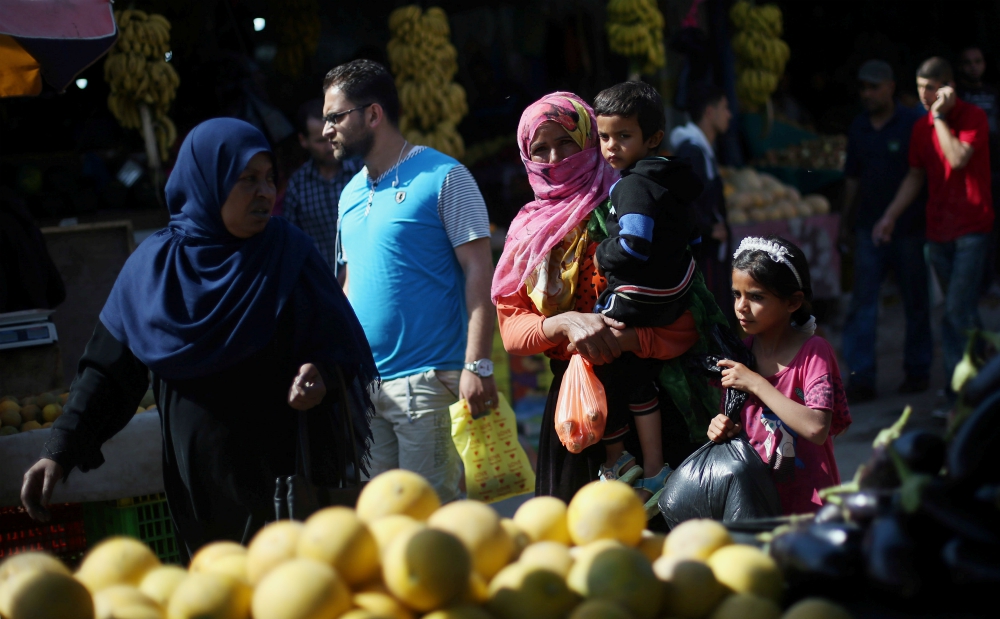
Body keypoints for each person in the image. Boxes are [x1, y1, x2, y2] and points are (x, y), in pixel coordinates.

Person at [19, 119, 378, 555]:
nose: (265, 192)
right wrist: (59, 450)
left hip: (287, 485)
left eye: (269, 179)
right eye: (247, 180)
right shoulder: (154, 269)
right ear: (206, 182)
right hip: (199, 496)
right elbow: (106, 375)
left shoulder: (288, 254)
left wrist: (320, 374)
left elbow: (339, 347)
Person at [494, 92, 726, 513]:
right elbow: (512, 330)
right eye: (539, 149)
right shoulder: (527, 233)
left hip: (653, 407)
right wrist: (563, 325)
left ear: (591, 141)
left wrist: (631, 340)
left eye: (566, 142)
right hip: (578, 415)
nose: (554, 158)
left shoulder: (636, 204)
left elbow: (691, 314)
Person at [327, 60, 496, 504]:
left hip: (426, 382)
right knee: (382, 530)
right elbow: (349, 285)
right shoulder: (348, 195)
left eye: (335, 116)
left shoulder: (445, 177)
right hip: (368, 389)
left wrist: (478, 364)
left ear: (373, 114)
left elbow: (480, 271)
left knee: (433, 528)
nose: (327, 129)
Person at [590, 81, 705, 504]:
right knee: (637, 374)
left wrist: (602, 254)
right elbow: (695, 238)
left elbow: (633, 244)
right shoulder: (671, 177)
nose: (611, 147)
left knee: (601, 359)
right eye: (604, 137)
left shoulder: (632, 185)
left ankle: (618, 457)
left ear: (652, 138)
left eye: (624, 136)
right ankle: (655, 468)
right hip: (676, 292)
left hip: (641, 298)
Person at [873, 57, 993, 415]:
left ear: (947, 87)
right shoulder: (921, 127)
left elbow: (956, 159)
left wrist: (939, 118)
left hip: (972, 229)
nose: (923, 94)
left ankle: (962, 397)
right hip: (937, 232)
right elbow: (915, 176)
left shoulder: (973, 117)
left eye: (930, 87)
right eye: (919, 85)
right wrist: (889, 217)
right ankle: (984, 382)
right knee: (962, 312)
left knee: (955, 311)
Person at [708, 236, 851, 515]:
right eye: (737, 294)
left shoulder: (813, 353)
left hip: (811, 507)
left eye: (756, 297)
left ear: (793, 302)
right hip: (757, 503)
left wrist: (757, 383)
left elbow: (817, 428)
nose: (741, 307)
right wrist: (721, 426)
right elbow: (738, 423)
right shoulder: (741, 355)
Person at [840, 60, 931, 403]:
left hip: (909, 229)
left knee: (916, 301)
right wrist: (845, 224)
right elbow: (852, 180)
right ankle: (861, 378)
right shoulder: (859, 127)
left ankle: (918, 371)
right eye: (863, 87)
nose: (868, 93)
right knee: (863, 304)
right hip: (868, 229)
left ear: (891, 87)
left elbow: (920, 174)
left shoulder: (912, 123)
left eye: (874, 87)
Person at [669, 84, 735, 323]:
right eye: (725, 108)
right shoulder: (693, 151)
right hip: (704, 253)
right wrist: (708, 229)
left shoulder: (702, 149)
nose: (729, 114)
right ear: (710, 112)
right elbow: (684, 200)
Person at [282, 99, 361, 276]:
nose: (329, 146)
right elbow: (291, 245)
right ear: (303, 141)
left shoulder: (361, 173)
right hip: (320, 284)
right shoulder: (298, 186)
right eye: (320, 141)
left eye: (333, 137)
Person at [956, 46, 1000, 291]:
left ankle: (990, 279)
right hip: (967, 174)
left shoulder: (993, 94)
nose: (973, 66)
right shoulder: (958, 96)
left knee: (992, 228)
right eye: (968, 62)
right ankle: (973, 283)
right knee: (972, 230)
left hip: (994, 170)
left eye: (978, 61)